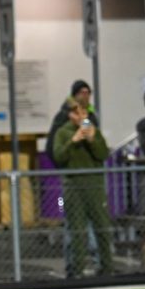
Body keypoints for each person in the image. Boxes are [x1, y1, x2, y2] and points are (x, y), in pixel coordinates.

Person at [53, 100, 113, 278]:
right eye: (77, 113)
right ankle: (76, 269)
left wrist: (92, 140)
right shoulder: (62, 133)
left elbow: (103, 154)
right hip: (73, 187)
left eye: (84, 113)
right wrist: (73, 141)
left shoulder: (94, 130)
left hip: (95, 186)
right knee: (77, 229)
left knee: (102, 226)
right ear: (69, 115)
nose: (81, 117)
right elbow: (59, 157)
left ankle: (106, 267)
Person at [46, 80, 98, 164]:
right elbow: (51, 144)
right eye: (82, 93)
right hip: (69, 165)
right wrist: (61, 164)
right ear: (75, 95)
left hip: (88, 165)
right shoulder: (63, 116)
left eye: (88, 93)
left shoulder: (91, 116)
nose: (86, 96)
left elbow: (96, 139)